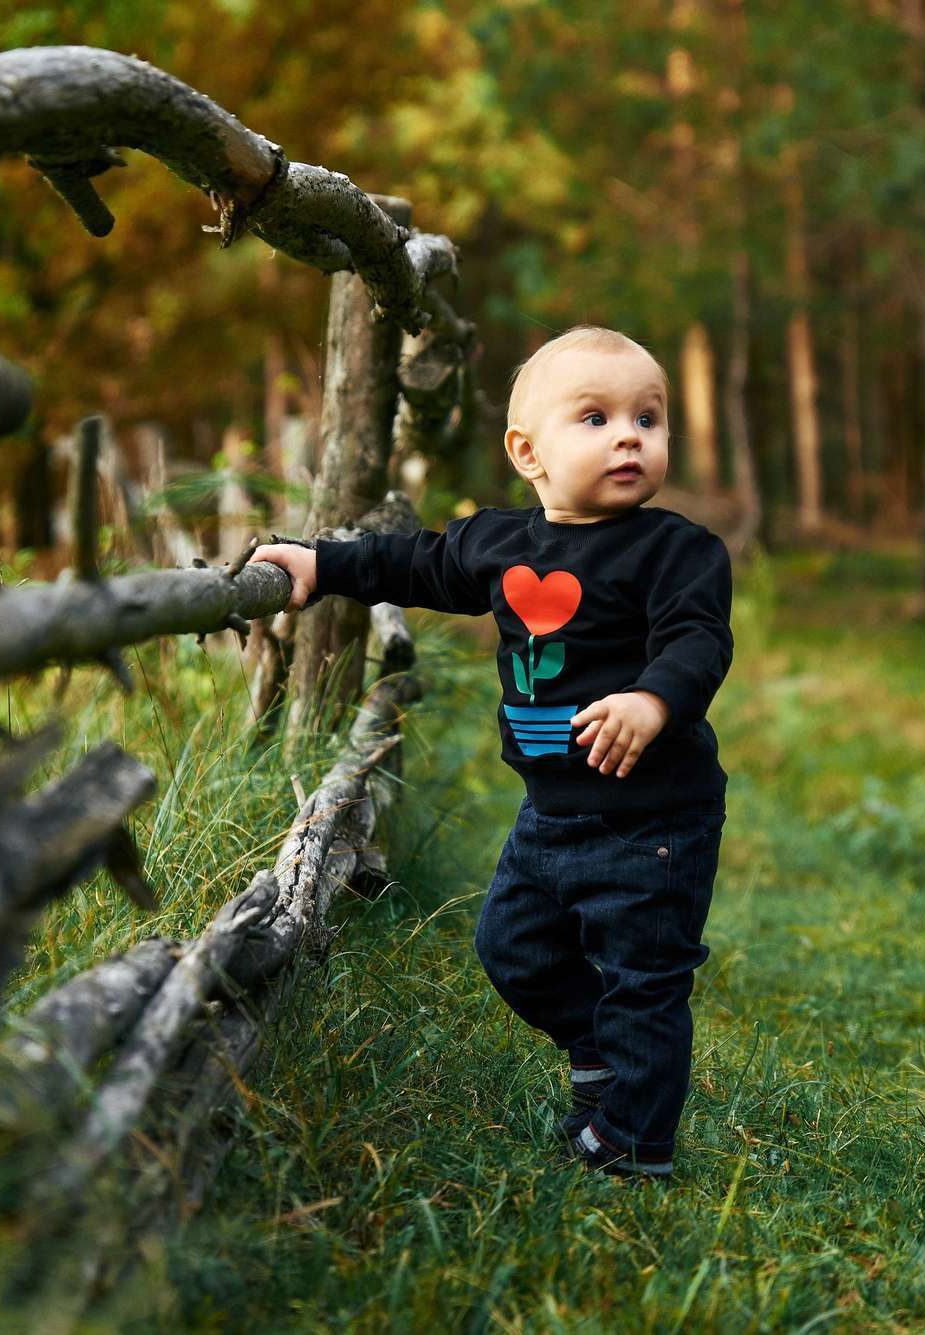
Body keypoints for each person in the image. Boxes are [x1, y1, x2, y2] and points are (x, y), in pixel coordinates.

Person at [250, 325, 734, 1178]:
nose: (629, 436)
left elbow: (698, 639)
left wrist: (653, 697)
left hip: (654, 819)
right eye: (596, 418)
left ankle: (633, 1142)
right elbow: (414, 563)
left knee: (645, 980)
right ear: (527, 452)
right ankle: (597, 1050)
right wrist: (321, 565)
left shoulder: (677, 552)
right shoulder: (501, 543)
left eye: (648, 418)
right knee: (511, 946)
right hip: (549, 813)